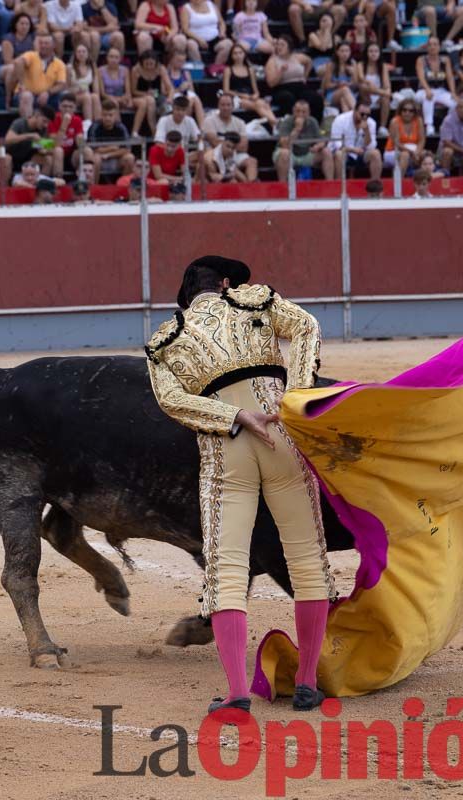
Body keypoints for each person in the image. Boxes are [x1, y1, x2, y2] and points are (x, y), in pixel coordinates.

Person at [144, 256, 336, 714]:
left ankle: (235, 694)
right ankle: (307, 684)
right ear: (226, 283)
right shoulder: (253, 300)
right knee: (307, 558)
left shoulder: (166, 338)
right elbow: (306, 326)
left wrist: (232, 416)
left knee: (226, 568)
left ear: (187, 297)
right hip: (282, 432)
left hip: (226, 444)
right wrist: (298, 397)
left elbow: (172, 401)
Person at [273, 98, 333, 180]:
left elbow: (322, 141)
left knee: (326, 152)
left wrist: (318, 146)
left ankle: (330, 184)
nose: (300, 114)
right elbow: (285, 145)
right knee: (284, 153)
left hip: (306, 154)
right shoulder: (286, 122)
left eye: (304, 112)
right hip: (290, 154)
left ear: (308, 113)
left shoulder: (313, 121)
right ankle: (282, 185)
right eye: (297, 111)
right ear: (293, 111)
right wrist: (297, 129)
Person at [15, 33, 68, 119]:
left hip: (48, 96)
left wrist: (48, 92)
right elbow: (18, 62)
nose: (43, 46)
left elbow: (61, 84)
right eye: (41, 43)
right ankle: (28, 126)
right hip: (27, 94)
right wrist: (22, 84)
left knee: (65, 96)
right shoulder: (31, 55)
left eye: (46, 43)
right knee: (27, 96)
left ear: (53, 45)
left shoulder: (59, 63)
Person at [223, 44, 277, 126]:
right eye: (235, 53)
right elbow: (226, 90)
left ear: (244, 54)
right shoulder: (228, 70)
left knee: (263, 103)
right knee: (257, 105)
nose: (238, 55)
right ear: (231, 56)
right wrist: (242, 95)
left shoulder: (250, 69)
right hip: (236, 98)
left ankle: (274, 123)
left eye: (240, 53)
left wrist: (255, 95)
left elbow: (256, 90)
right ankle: (275, 123)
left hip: (250, 96)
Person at [329, 100, 383, 179]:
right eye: (362, 114)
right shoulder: (340, 120)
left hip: (360, 154)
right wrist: (353, 150)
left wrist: (366, 131)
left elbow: (371, 146)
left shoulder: (371, 123)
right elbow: (337, 145)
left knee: (376, 153)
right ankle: (339, 185)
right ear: (355, 110)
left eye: (367, 115)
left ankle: (375, 185)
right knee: (339, 154)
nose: (364, 117)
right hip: (345, 152)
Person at [415, 37, 457, 135]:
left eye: (435, 44)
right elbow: (421, 77)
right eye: (430, 45)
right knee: (428, 97)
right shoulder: (421, 60)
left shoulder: (445, 60)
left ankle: (446, 125)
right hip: (423, 90)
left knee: (455, 103)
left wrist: (453, 92)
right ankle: (429, 125)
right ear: (427, 47)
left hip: (440, 90)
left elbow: (450, 77)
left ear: (439, 47)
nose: (432, 47)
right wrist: (427, 89)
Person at [86, 98, 135, 179]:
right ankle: (93, 188)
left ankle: (124, 187)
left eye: (110, 115)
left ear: (115, 115)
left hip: (115, 158)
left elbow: (126, 149)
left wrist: (109, 154)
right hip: (99, 159)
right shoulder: (94, 127)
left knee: (130, 158)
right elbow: (94, 149)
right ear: (101, 114)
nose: (107, 118)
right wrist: (112, 147)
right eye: (105, 115)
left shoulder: (121, 128)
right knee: (95, 158)